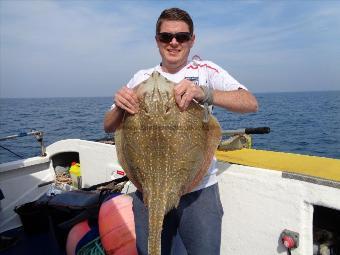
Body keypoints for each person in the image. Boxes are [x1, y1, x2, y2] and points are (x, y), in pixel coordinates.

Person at [104, 7, 258, 255]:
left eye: (181, 37)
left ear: (192, 40)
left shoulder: (206, 70)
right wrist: (119, 106)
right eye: (166, 37)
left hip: (199, 189)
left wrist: (205, 93)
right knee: (151, 249)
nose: (173, 42)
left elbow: (250, 103)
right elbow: (109, 126)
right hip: (149, 188)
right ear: (157, 40)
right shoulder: (141, 78)